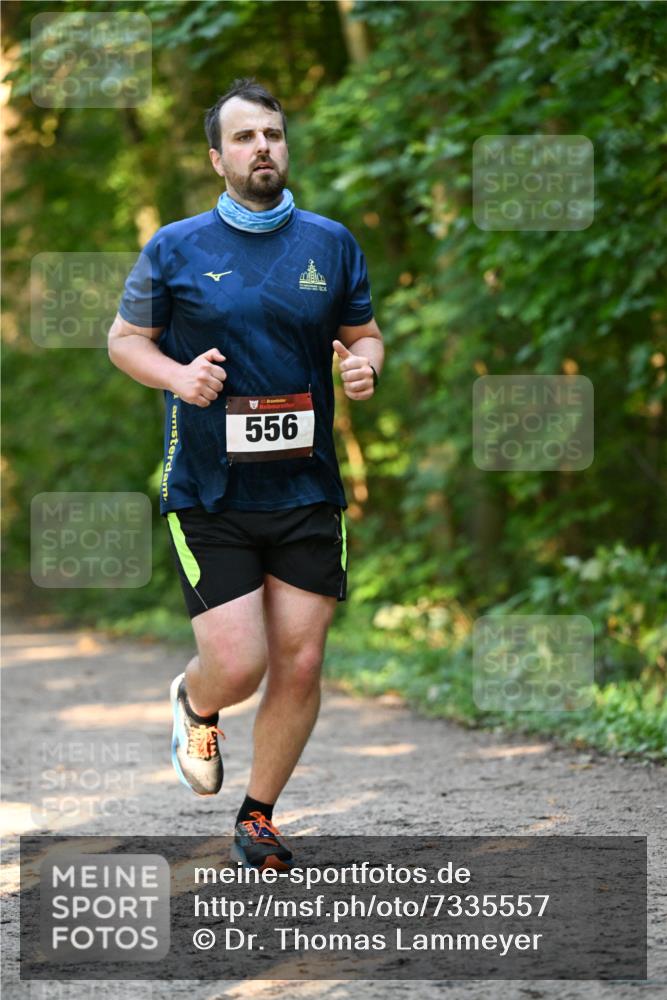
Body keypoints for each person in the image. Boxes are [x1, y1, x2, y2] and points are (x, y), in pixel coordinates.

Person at [108, 78, 384, 871]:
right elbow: (126, 340)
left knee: (300, 660)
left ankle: (257, 815)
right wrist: (175, 377)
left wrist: (363, 369)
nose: (262, 146)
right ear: (215, 157)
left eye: (272, 133)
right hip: (210, 490)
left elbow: (363, 337)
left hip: (306, 490)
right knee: (240, 663)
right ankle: (196, 702)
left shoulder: (330, 242)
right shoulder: (175, 246)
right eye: (243, 137)